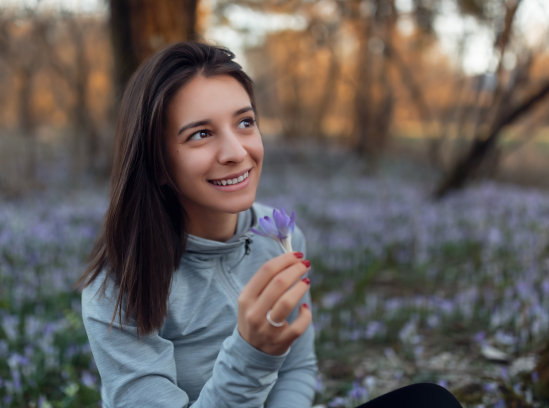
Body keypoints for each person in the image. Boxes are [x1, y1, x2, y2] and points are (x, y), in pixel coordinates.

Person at [78, 41, 462, 408]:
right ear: (158, 162)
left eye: (245, 122)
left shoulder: (280, 238)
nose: (236, 152)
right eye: (201, 134)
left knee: (431, 401)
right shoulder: (116, 288)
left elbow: (297, 367)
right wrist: (252, 351)